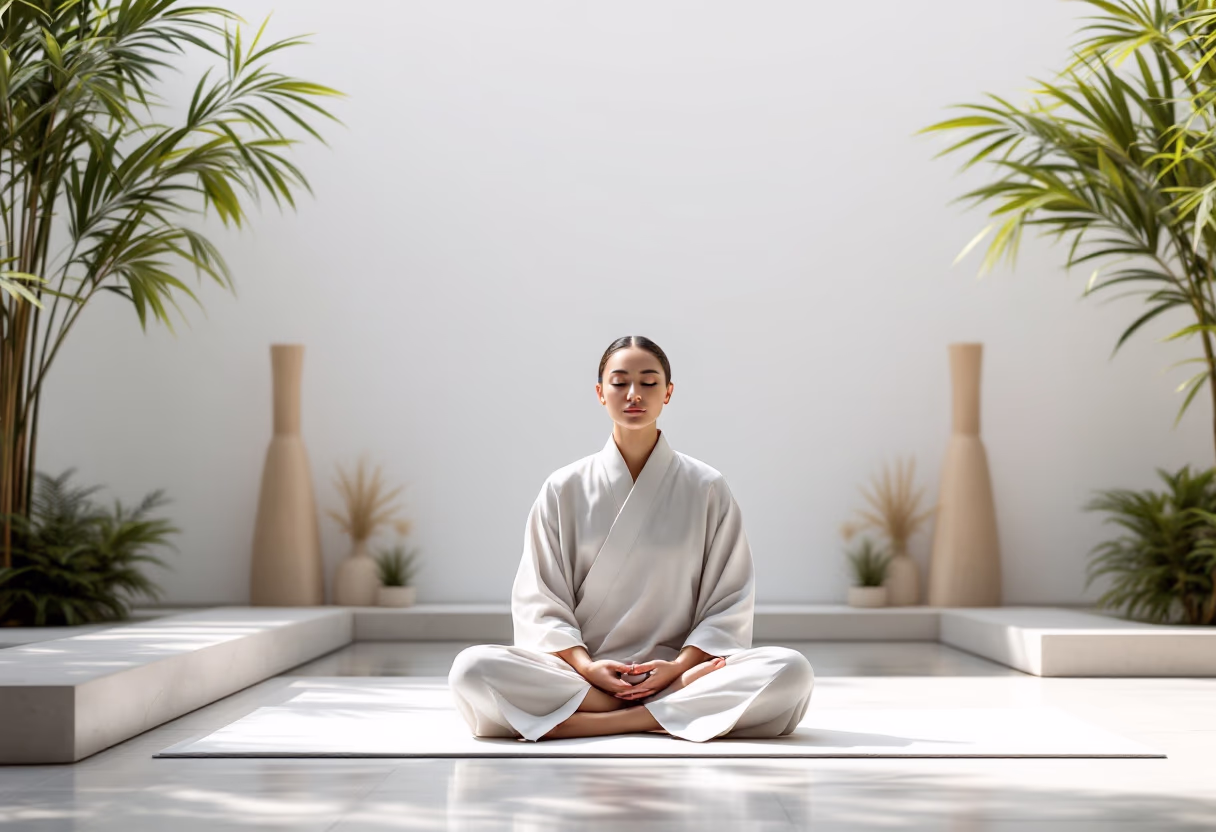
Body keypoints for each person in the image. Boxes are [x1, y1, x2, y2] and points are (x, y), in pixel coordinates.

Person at [448, 335, 814, 742]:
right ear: (600, 393)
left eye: (649, 382)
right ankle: (659, 712)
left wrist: (676, 670)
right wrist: (588, 668)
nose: (634, 394)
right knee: (471, 669)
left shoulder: (706, 487)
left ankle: (603, 720)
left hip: (680, 671)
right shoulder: (563, 487)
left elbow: (728, 602)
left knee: (791, 670)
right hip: (582, 678)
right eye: (620, 382)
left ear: (668, 393)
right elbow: (541, 600)